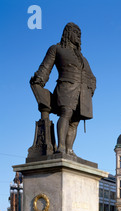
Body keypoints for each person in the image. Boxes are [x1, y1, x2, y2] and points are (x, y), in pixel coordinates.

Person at [30, 22, 96, 156]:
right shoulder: (56, 49)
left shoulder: (83, 58)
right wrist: (39, 79)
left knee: (75, 121)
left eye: (80, 34)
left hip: (82, 93)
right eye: (75, 33)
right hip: (66, 87)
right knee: (66, 113)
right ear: (67, 33)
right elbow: (45, 67)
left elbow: (92, 76)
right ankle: (61, 147)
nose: (78, 36)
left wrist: (91, 89)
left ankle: (70, 149)